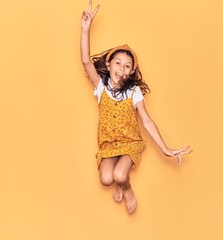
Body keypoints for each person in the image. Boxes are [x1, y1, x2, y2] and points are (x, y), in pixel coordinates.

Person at [80, 0, 191, 214]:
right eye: (118, 63)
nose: (122, 68)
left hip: (130, 142)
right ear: (110, 66)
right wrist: (85, 30)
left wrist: (165, 149)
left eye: (128, 66)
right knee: (105, 179)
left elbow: (147, 121)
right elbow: (85, 61)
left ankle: (126, 187)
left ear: (131, 72)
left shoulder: (134, 92)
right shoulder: (101, 87)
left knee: (120, 176)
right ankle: (119, 183)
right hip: (108, 144)